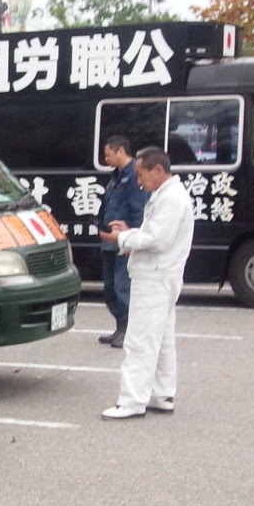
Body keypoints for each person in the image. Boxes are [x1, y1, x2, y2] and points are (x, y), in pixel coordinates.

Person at [99, 146, 193, 420]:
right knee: (161, 340)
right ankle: (161, 394)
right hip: (162, 274)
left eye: (141, 174)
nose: (138, 181)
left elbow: (157, 239)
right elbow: (155, 234)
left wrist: (121, 239)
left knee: (140, 341)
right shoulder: (166, 195)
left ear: (158, 170)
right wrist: (130, 233)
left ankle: (131, 401)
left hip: (155, 276)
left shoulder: (171, 198)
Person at [94, 136, 148, 348]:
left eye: (108, 154)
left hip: (125, 242)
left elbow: (139, 210)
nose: (106, 158)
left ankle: (129, 331)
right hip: (110, 240)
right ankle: (120, 326)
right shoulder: (115, 177)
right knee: (109, 288)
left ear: (120, 151)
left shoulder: (135, 175)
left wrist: (133, 240)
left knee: (122, 286)